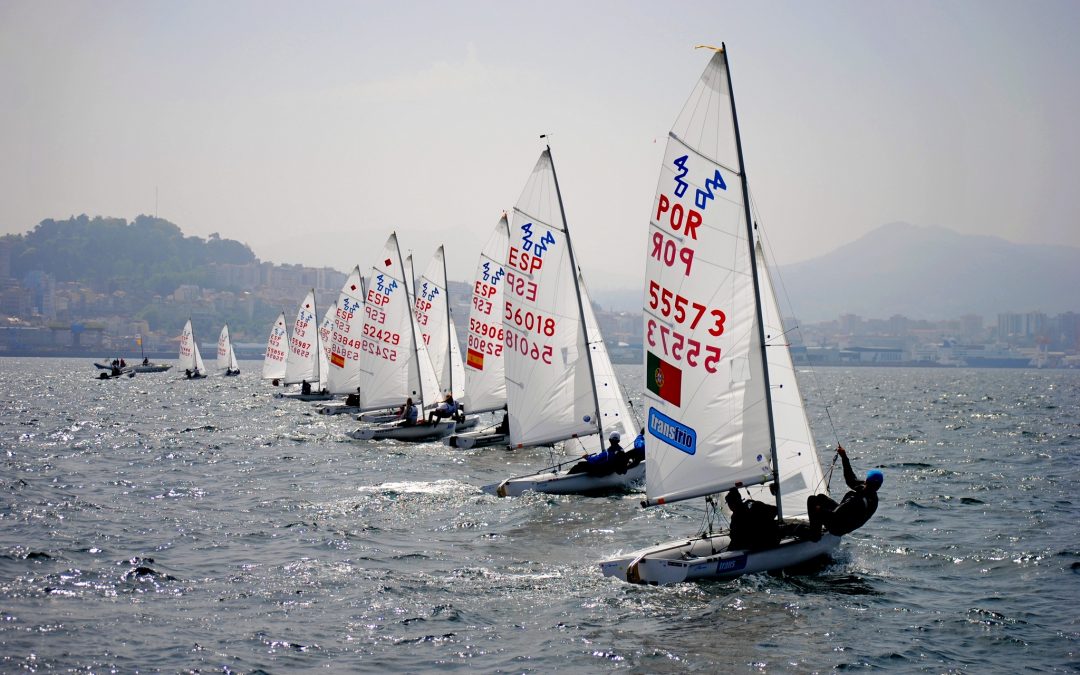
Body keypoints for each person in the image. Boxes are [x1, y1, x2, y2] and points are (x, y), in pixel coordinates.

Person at [806, 445, 883, 539]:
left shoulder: (857, 501)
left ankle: (814, 535)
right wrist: (844, 457)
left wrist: (819, 511)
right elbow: (850, 479)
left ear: (867, 480)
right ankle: (817, 528)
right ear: (879, 486)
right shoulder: (871, 495)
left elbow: (835, 516)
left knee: (812, 501)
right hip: (844, 520)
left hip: (837, 527)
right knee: (820, 498)